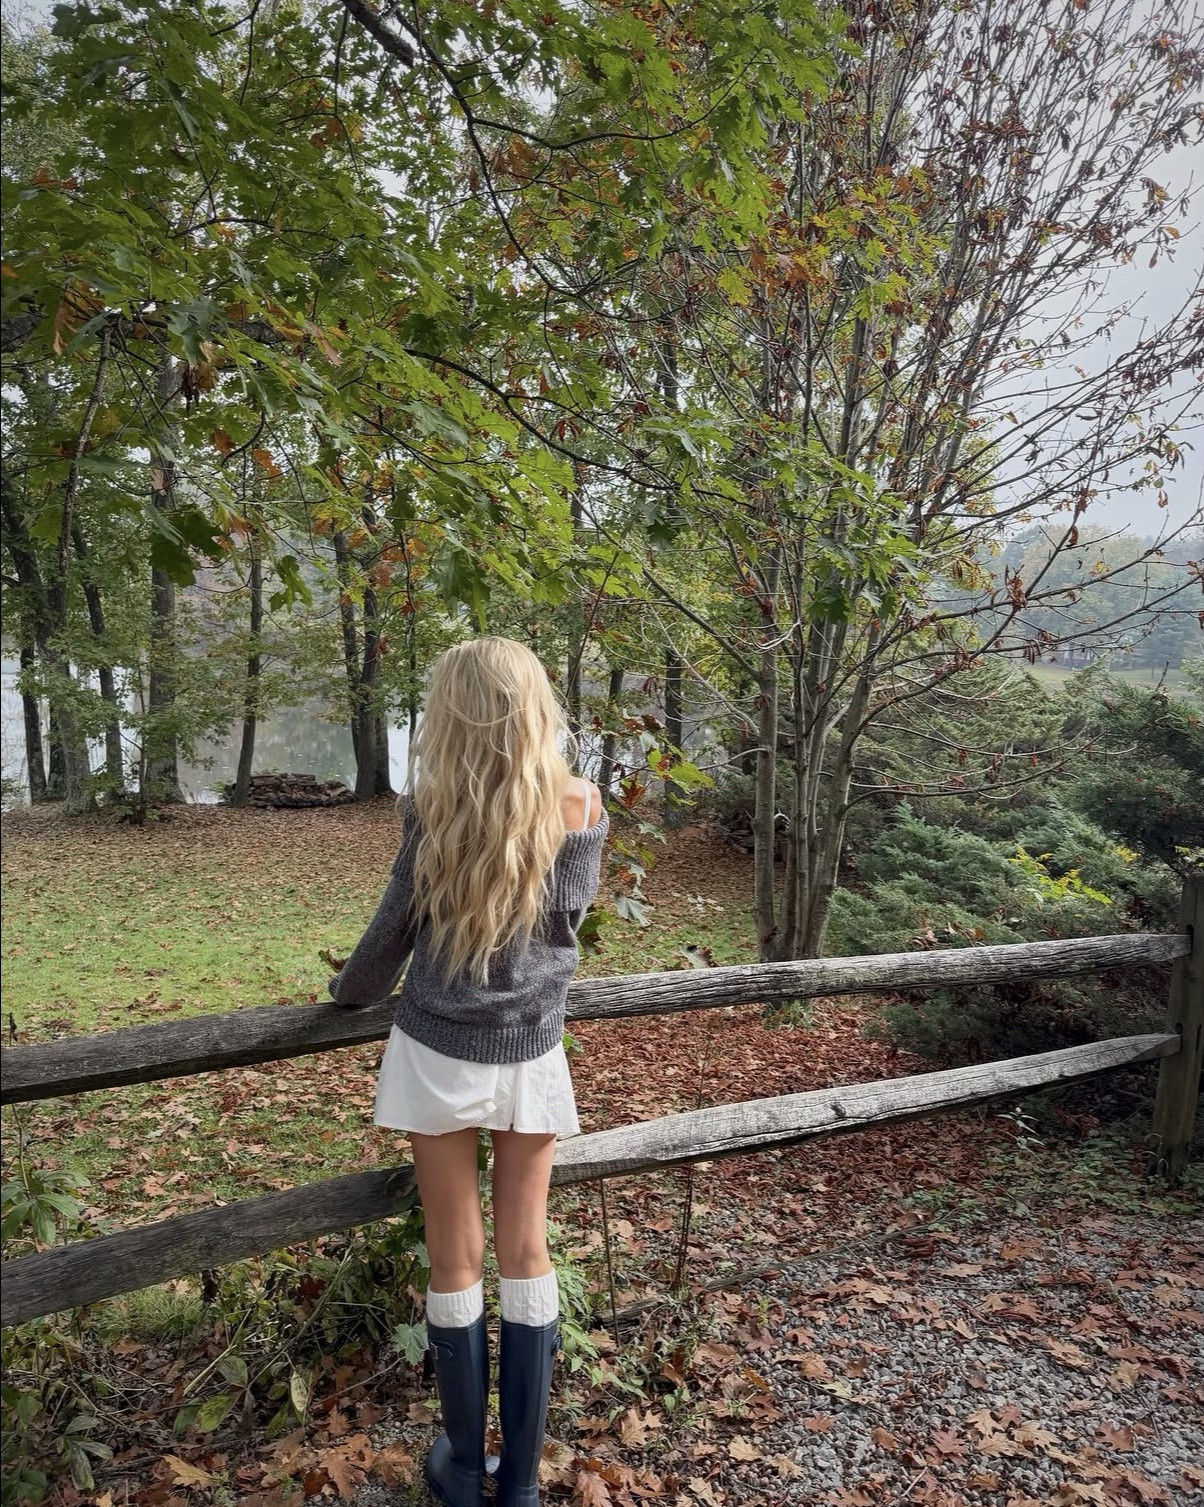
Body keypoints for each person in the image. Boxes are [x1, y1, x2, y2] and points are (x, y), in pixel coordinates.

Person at [328, 637, 606, 1507]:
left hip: (438, 1048)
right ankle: (518, 1479)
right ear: (534, 709)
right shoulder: (581, 807)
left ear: (451, 716)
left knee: (455, 1257)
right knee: (528, 1249)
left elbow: (390, 935)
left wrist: (346, 992)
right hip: (530, 1052)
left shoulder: (434, 809)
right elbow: (560, 939)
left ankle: (460, 1467)